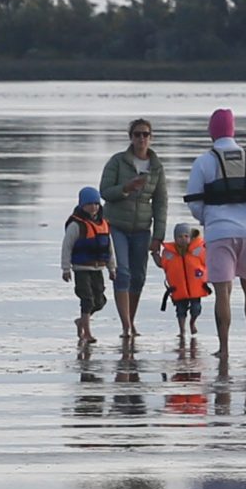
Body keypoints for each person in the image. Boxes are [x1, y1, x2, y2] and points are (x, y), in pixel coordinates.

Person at [183, 108, 246, 353]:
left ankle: (224, 346)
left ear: (212, 132)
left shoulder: (204, 162)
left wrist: (209, 219)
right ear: (233, 130)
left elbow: (194, 202)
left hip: (219, 232)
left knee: (223, 291)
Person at [97, 119, 170, 339]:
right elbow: (105, 191)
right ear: (131, 137)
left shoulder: (156, 167)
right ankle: (126, 326)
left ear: (151, 137)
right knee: (123, 272)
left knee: (138, 276)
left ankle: (131, 318)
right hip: (116, 225)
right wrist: (126, 188)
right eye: (137, 134)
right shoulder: (118, 162)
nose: (141, 138)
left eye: (145, 134)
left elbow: (161, 202)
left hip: (142, 228)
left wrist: (158, 236)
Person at [58, 186, 121, 333]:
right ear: (82, 205)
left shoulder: (103, 224)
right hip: (81, 269)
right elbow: (67, 247)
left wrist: (112, 268)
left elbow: (109, 248)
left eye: (96, 204)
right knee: (87, 299)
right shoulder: (76, 225)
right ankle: (86, 332)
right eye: (89, 204)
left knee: (99, 302)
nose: (93, 207)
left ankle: (81, 321)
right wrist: (66, 269)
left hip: (98, 269)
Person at [156, 223, 211, 345]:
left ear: (190, 237)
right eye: (180, 236)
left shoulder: (199, 250)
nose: (183, 239)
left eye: (186, 236)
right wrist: (155, 255)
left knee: (196, 309)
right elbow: (162, 264)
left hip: (195, 288)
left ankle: (192, 322)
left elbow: (209, 261)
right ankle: (182, 330)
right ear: (175, 238)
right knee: (180, 310)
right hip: (178, 289)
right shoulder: (169, 253)